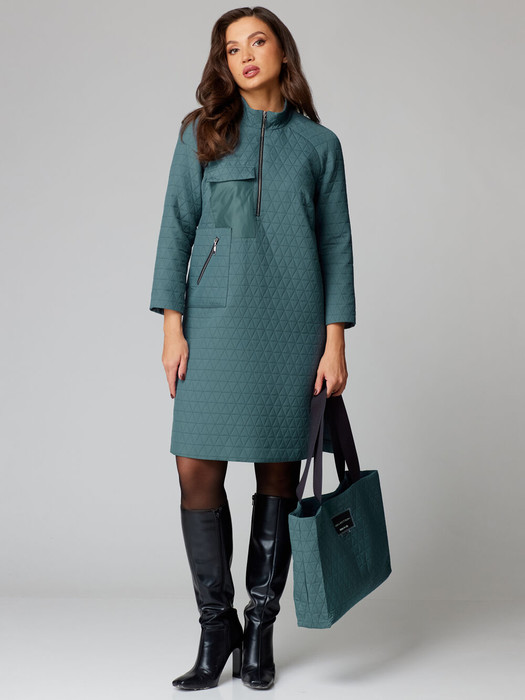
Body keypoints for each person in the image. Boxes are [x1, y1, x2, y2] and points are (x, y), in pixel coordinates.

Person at [149, 6, 356, 691]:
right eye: (231, 47)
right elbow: (177, 227)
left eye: (257, 41)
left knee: (277, 476)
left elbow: (335, 244)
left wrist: (334, 342)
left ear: (281, 52)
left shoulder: (319, 145)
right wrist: (172, 325)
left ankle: (259, 628)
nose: (244, 56)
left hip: (293, 329)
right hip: (213, 325)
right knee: (194, 469)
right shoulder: (201, 134)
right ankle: (217, 629)